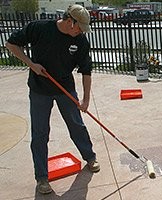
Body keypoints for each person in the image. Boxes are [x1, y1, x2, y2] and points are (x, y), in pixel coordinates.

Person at [5, 4, 99, 195]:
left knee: (76, 125)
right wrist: (31, 64)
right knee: (40, 133)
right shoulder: (39, 28)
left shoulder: (80, 41)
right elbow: (10, 44)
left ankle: (89, 157)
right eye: (80, 27)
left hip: (65, 89)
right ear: (70, 21)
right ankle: (42, 178)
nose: (81, 32)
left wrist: (85, 100)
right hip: (40, 90)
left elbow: (86, 71)